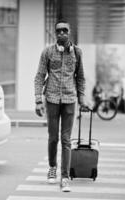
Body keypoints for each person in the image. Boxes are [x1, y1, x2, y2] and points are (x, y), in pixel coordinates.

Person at [34, 20, 88, 192]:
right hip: (51, 99)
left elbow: (80, 78)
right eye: (59, 31)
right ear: (55, 33)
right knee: (53, 138)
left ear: (69, 32)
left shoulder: (77, 52)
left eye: (65, 30)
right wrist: (37, 100)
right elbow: (39, 76)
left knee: (66, 140)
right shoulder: (47, 52)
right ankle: (52, 168)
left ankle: (64, 177)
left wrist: (82, 99)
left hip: (70, 100)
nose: (62, 33)